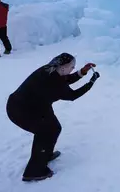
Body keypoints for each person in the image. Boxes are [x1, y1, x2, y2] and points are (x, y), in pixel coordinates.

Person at [6, 53, 100, 182]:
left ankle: (44, 154)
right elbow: (72, 95)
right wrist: (91, 82)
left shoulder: (50, 69)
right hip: (21, 111)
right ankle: (34, 171)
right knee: (46, 132)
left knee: (54, 128)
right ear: (62, 67)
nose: (73, 69)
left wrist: (82, 72)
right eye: (72, 66)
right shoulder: (52, 80)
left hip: (34, 105)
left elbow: (65, 79)